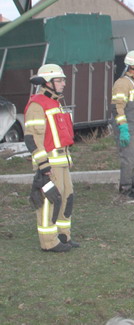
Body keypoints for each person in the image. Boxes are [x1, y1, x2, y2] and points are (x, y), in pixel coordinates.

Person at [24, 64, 79, 252]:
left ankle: (63, 236)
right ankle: (49, 242)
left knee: (67, 198)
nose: (64, 83)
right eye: (59, 80)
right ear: (47, 83)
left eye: (63, 80)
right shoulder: (37, 104)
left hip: (62, 162)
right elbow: (32, 137)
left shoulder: (56, 102)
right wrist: (43, 164)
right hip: (49, 164)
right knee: (50, 201)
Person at [111, 50, 134, 202]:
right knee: (129, 160)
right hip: (128, 127)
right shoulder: (122, 83)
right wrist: (123, 128)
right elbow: (117, 107)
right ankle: (125, 193)